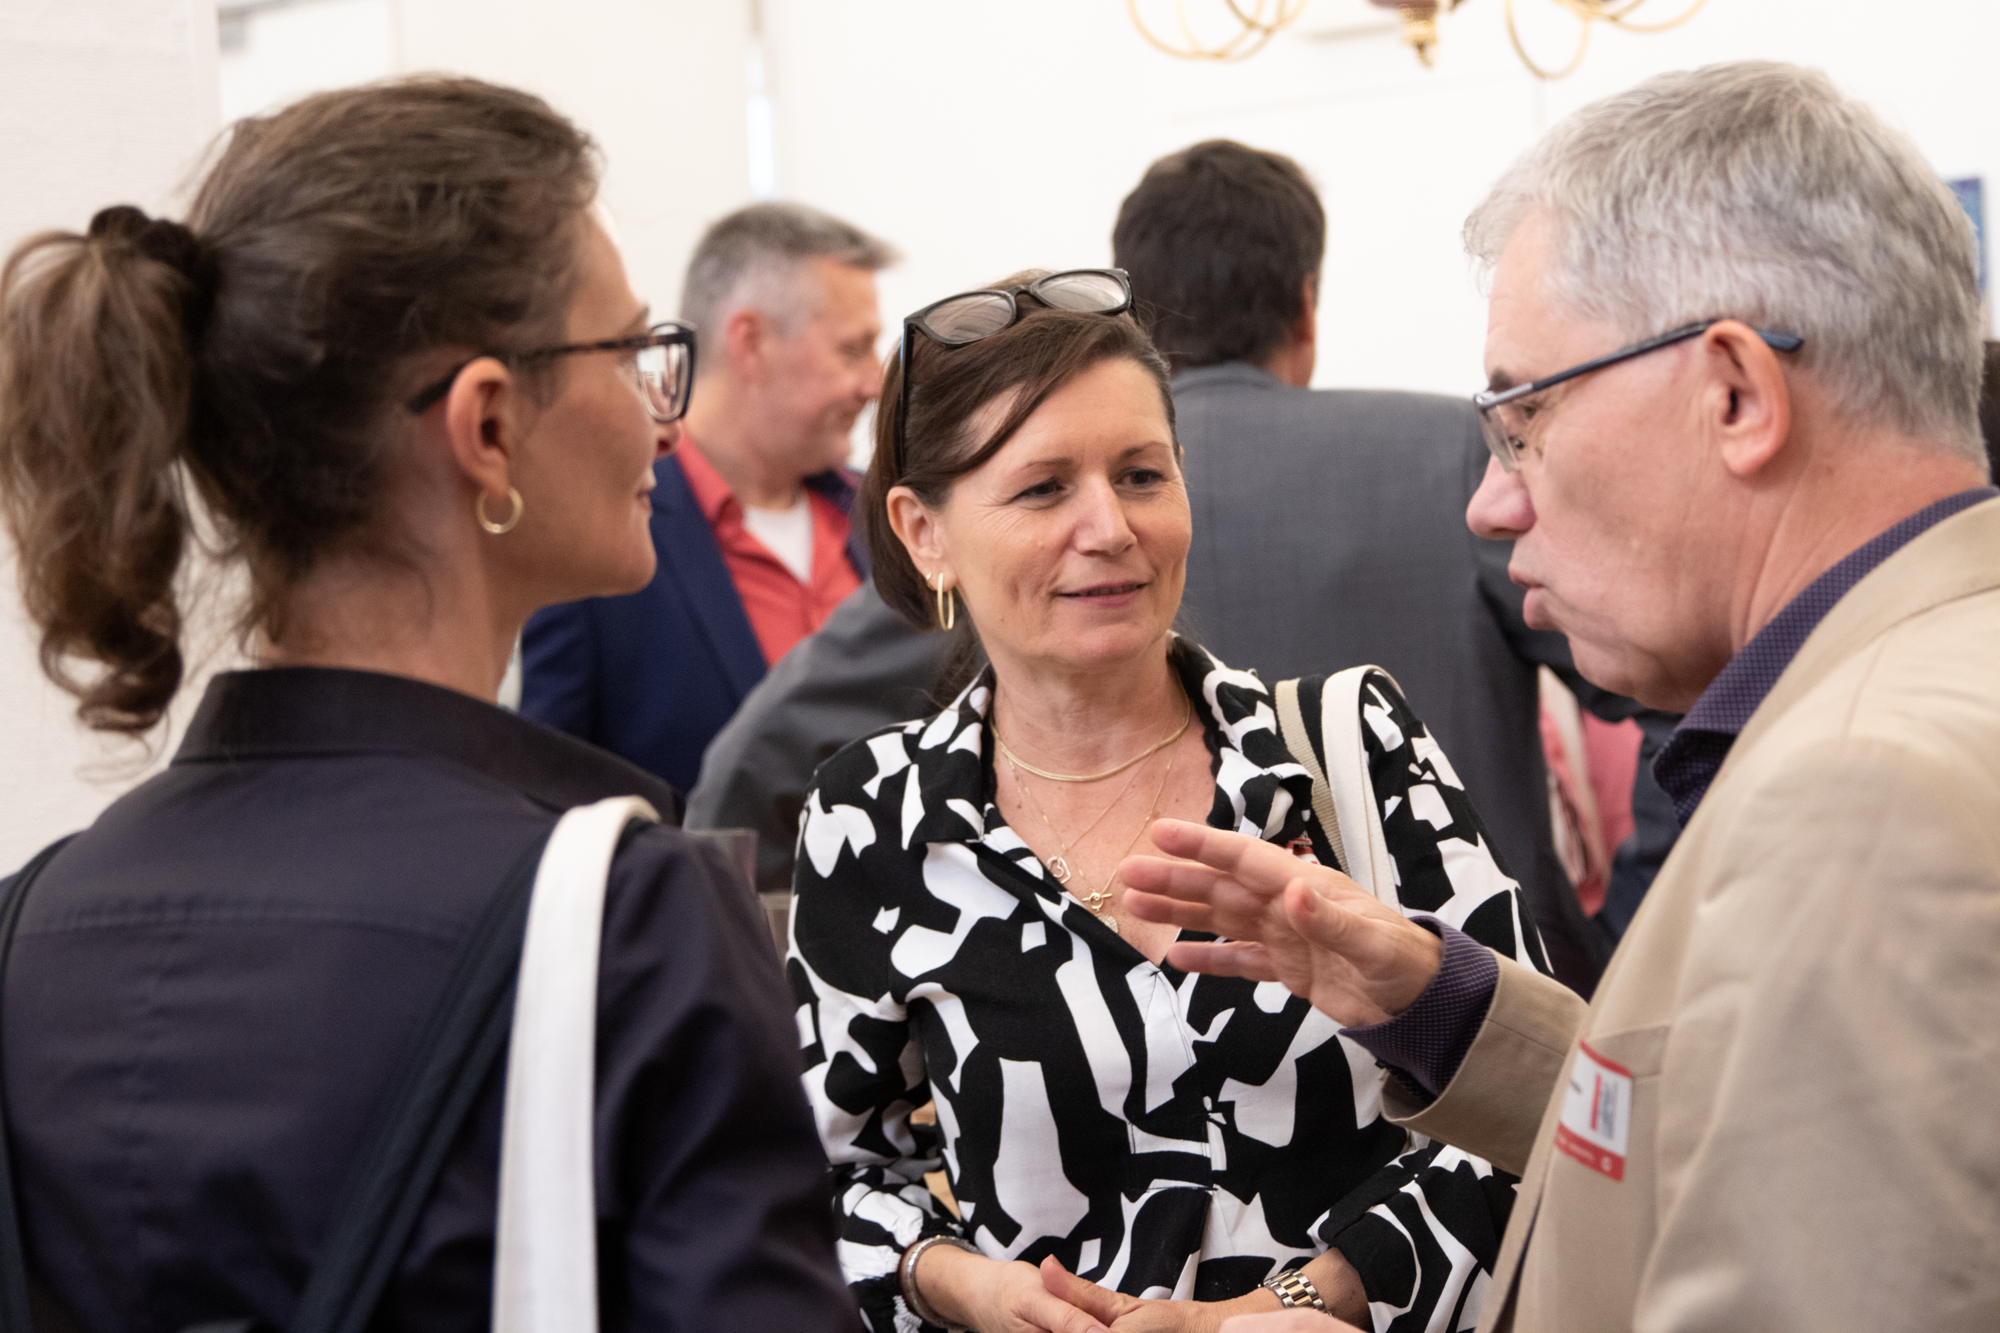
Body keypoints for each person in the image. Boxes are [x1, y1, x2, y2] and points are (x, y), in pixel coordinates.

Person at [1120, 62, 2000, 1332]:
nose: (1491, 500)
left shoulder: (1856, 790)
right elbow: (1720, 1141)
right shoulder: (1919, 680)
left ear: (1734, 395)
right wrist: (1444, 1003)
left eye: (1524, 419)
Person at [0, 79, 857, 1332]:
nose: (661, 420)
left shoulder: (31, 926)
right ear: (489, 426)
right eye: (627, 352)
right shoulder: (629, 923)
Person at [790, 268, 1553, 1333]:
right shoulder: (874, 817)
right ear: (923, 532)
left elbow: (1529, 1106)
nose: (1108, 526)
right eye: (1043, 488)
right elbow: (825, 1179)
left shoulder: (1343, 750)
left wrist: (1290, 1303)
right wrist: (957, 1280)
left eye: (1141, 475)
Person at [1111, 139, 1678, 989]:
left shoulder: (1049, 512)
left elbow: (839, 700)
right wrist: (1634, 929)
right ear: (1306, 304)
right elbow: (1676, 689)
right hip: (1484, 1007)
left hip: (1179, 1027)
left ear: (1134, 321)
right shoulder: (1450, 453)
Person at [521, 202, 895, 791]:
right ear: (751, 342)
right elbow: (547, 789)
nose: (875, 383)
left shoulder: (890, 519)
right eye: (853, 349)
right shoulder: (596, 537)